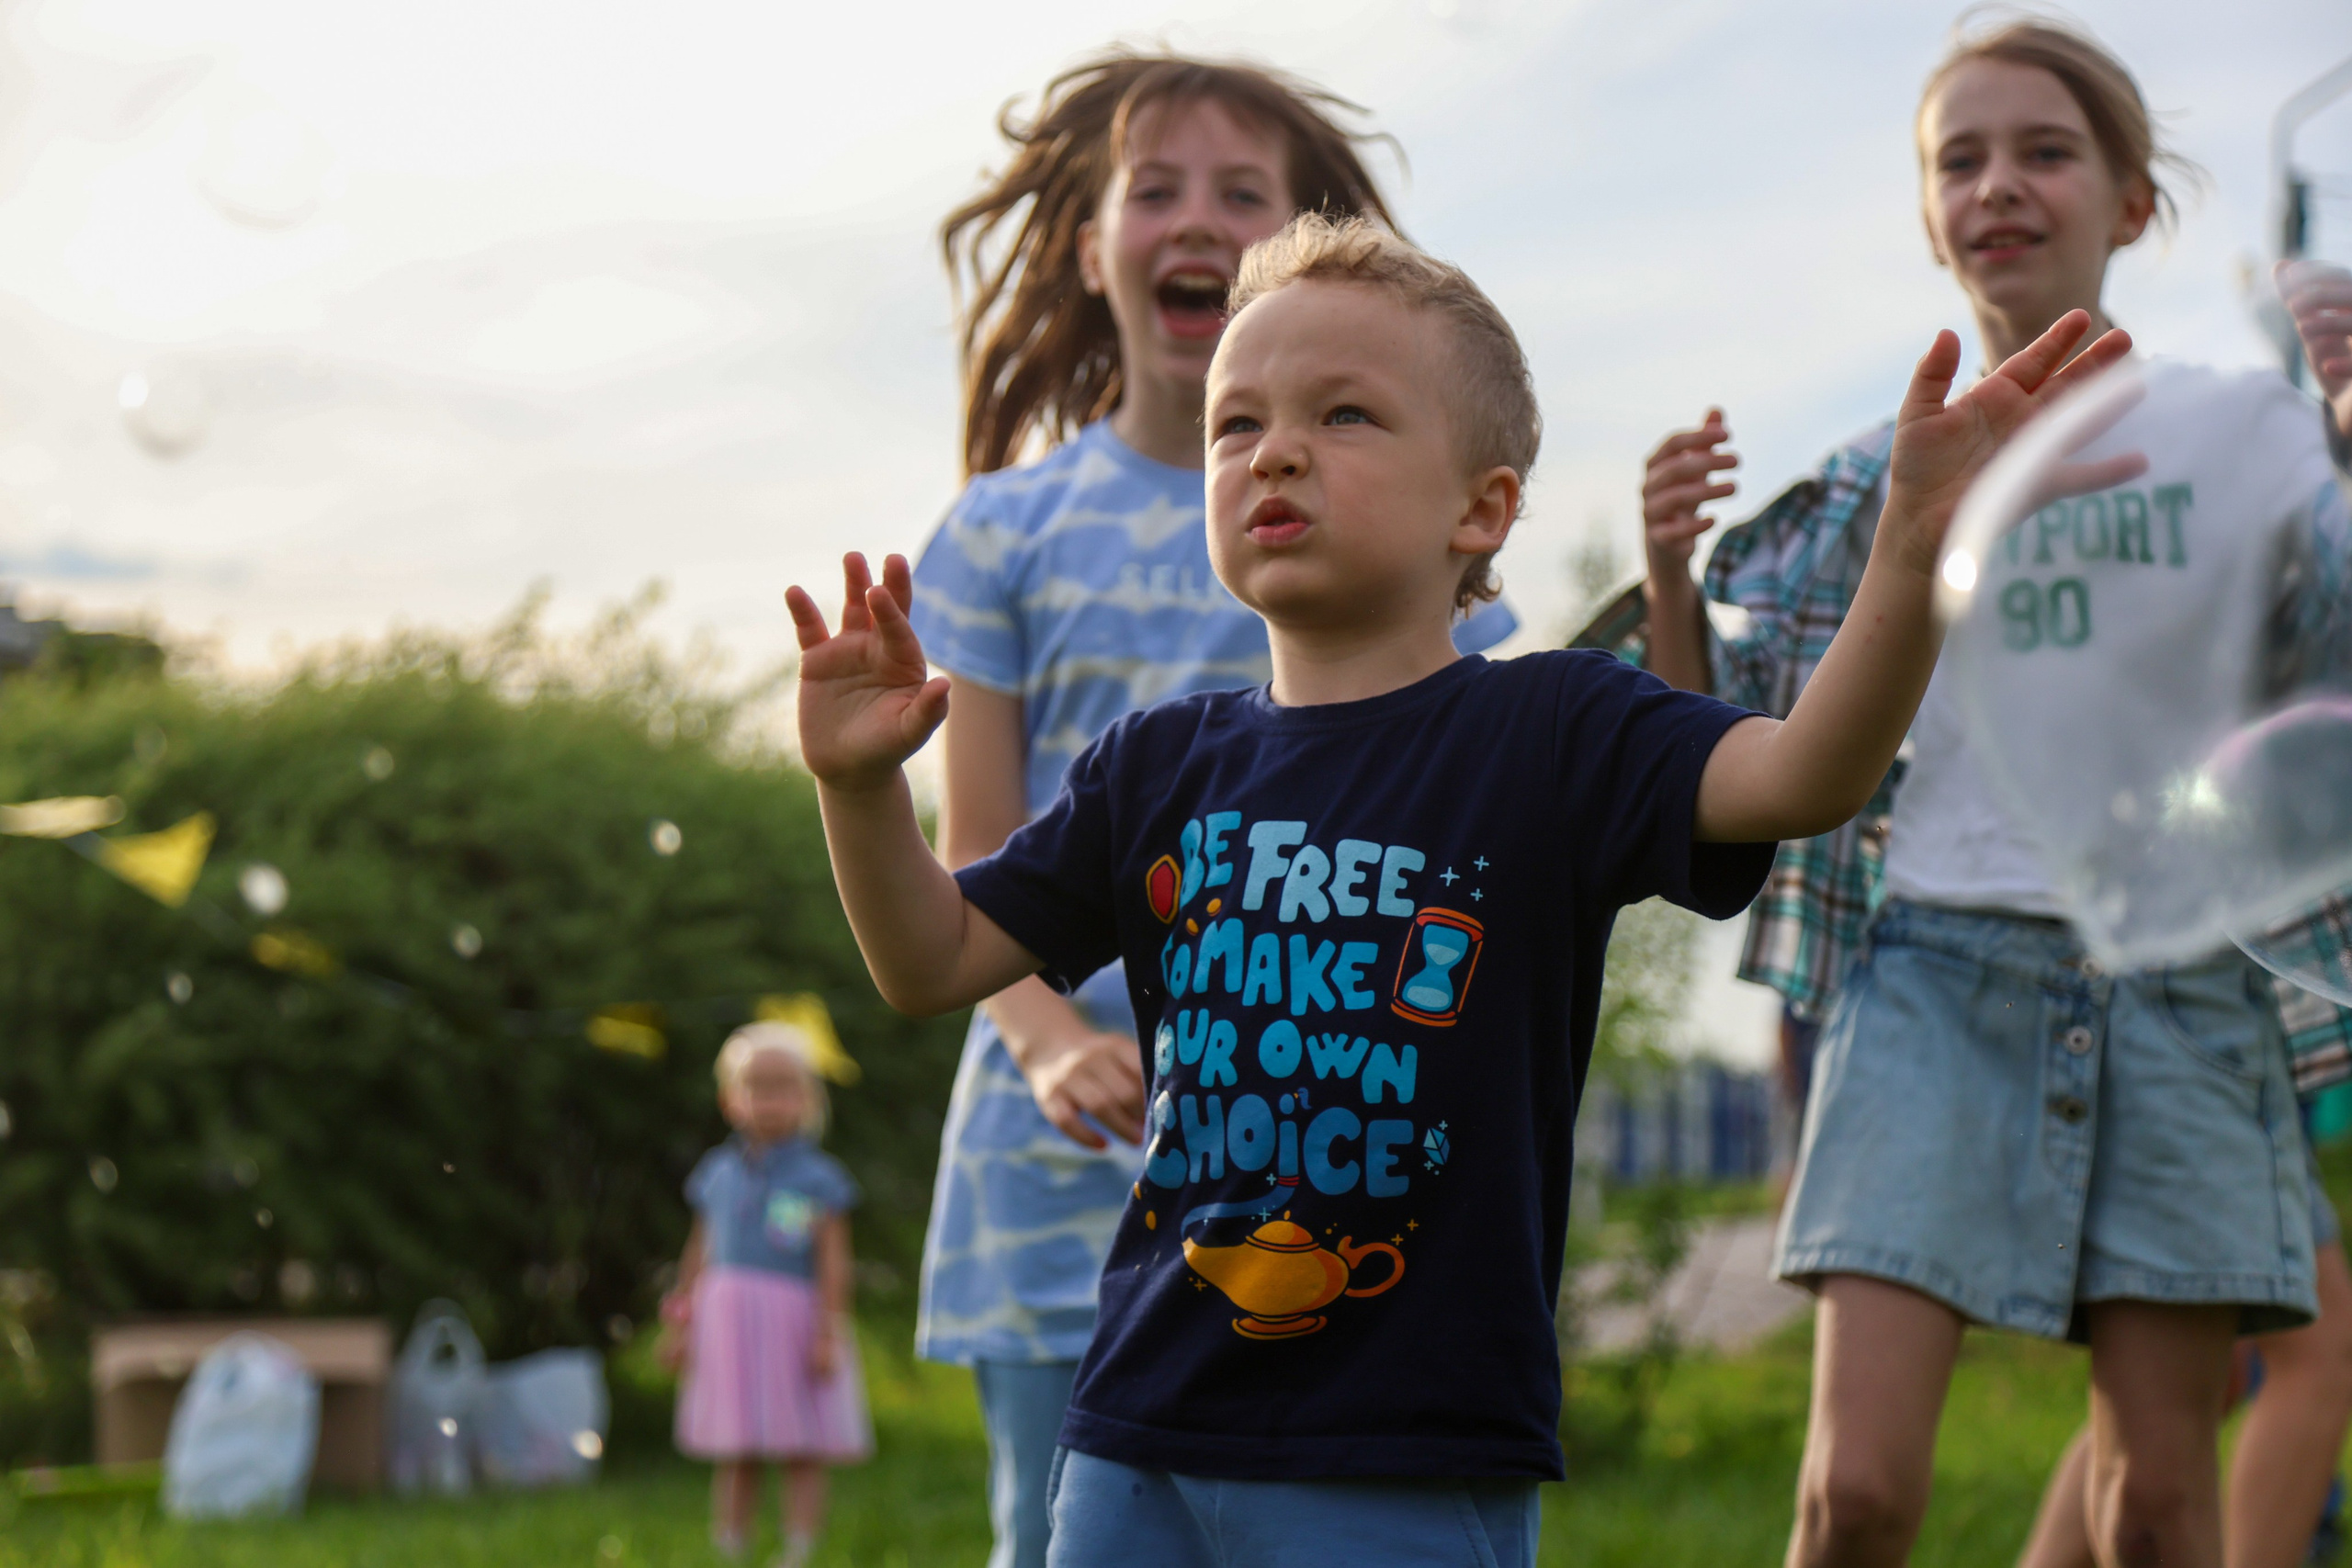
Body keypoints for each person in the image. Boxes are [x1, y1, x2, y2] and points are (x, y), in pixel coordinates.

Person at [790, 210, 2124, 1563]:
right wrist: (858, 789)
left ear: (1480, 509)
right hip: (1137, 1430)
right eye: (1235, 424)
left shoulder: (1553, 729)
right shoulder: (1155, 765)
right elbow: (931, 957)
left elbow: (1801, 775)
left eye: (1345, 414)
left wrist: (1911, 550)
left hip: (1406, 1452)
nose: (1274, 450)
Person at [1634, 20, 2352, 1566]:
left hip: (2184, 988)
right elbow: (1735, 753)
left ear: (2132, 201)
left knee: (2155, 1505)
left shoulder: (2244, 440)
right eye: (1959, 161)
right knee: (1854, 1494)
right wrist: (1670, 576)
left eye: (2045, 152)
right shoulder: (1877, 473)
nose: (1999, 186)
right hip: (1930, 974)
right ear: (1927, 215)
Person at [908, 51, 1513, 1568]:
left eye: (1243, 193)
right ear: (1089, 248)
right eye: (1155, 189)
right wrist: (1051, 1045)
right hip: (1059, 1143)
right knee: (1059, 1529)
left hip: (1321, 1129)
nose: (1196, 217)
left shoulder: (1388, 516)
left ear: (1302, 250)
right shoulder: (1004, 528)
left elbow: (1478, 781)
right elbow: (974, 852)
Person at [2013, 260, 2352, 1568]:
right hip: (2176, 987)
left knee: (2212, 1380)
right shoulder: (2216, 484)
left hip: (2185, 979)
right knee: (2312, 1351)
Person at [662, 1023, 870, 1567]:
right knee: (737, 1444)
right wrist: (680, 1322)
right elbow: (698, 1251)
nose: (770, 1100)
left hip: (792, 1324)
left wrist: (828, 1331)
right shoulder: (716, 1173)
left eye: (784, 1087)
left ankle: (799, 1548)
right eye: (756, 1086)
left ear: (809, 1098)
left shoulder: (821, 1179)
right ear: (729, 1099)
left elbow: (833, 1263)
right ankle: (730, 1545)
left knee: (801, 1443)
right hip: (728, 1325)